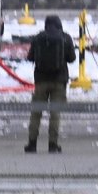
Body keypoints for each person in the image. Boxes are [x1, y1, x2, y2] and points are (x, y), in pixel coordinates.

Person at [26, 15, 76, 154]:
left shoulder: (38, 38)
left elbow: (30, 57)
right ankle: (53, 145)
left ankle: (32, 144)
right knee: (55, 114)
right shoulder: (66, 38)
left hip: (41, 81)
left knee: (36, 113)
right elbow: (72, 58)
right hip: (59, 82)